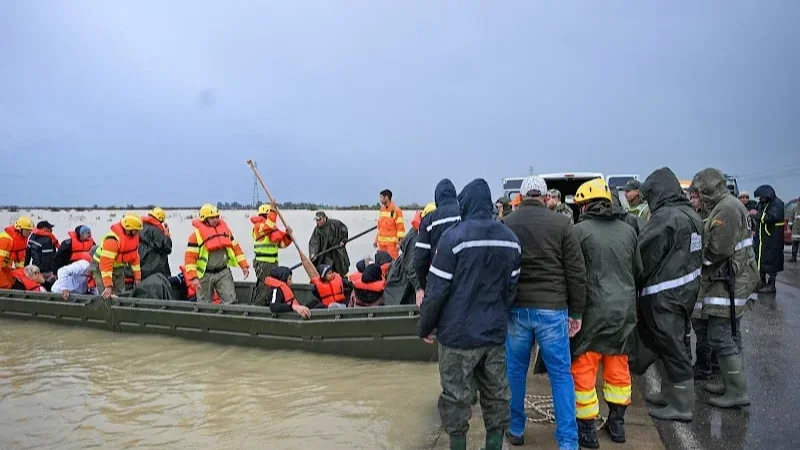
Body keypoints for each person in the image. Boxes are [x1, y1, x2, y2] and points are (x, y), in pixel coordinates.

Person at [417, 178, 521, 450]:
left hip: (457, 337)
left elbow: (436, 292)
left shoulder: (454, 237)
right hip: (494, 336)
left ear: (465, 203)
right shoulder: (511, 240)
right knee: (497, 397)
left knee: (456, 399)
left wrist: (425, 327)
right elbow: (511, 291)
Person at [501, 175, 586, 449]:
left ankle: (515, 430)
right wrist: (577, 312)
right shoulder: (563, 223)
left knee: (515, 372)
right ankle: (568, 441)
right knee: (561, 375)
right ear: (546, 197)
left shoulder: (507, 224)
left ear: (522, 197)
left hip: (517, 311)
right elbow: (576, 272)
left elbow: (501, 271)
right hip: (553, 309)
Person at [570, 178, 641, 447]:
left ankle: (587, 430)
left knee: (584, 370)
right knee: (618, 369)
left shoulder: (579, 232)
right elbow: (638, 271)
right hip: (623, 312)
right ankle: (618, 423)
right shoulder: (628, 231)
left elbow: (574, 274)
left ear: (586, 206)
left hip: (591, 312)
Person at [630, 168, 703, 422]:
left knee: (672, 347)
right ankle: (671, 394)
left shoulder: (666, 218)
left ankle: (681, 405)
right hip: (685, 292)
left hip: (665, 295)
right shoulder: (691, 216)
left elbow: (642, 257)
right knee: (674, 344)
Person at [690, 168, 759, 409]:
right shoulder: (726, 204)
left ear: (707, 190)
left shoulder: (726, 209)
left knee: (720, 334)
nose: (696, 196)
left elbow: (716, 251)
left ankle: (737, 391)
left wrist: (694, 262)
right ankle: (730, 384)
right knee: (731, 332)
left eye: (699, 192)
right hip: (733, 278)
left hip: (731, 281)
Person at [184, 204, 249, 304]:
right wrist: (194, 277)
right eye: (212, 218)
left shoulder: (226, 232)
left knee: (231, 301)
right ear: (204, 219)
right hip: (204, 275)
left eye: (217, 217)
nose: (216, 220)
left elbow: (236, 249)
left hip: (223, 272)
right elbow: (190, 259)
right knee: (204, 304)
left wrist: (244, 266)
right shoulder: (195, 236)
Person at [414, 179, 460, 303]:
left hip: (439, 282)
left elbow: (419, 260)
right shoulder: (466, 214)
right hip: (464, 282)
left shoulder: (429, 221)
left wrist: (424, 287)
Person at [384, 203, 436, 306]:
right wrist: (419, 289)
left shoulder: (423, 232)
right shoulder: (416, 238)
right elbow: (411, 267)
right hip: (402, 286)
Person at [250, 204, 293, 305]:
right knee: (265, 286)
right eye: (269, 216)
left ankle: (270, 304)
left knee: (273, 286)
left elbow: (281, 245)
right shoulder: (258, 227)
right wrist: (273, 210)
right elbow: (268, 225)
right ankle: (258, 307)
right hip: (263, 264)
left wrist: (288, 236)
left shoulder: (271, 230)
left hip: (273, 263)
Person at [91, 214, 143, 298]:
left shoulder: (133, 238)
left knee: (120, 293)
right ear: (128, 228)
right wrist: (108, 286)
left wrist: (137, 279)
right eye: (135, 230)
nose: (137, 232)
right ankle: (104, 309)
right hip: (100, 266)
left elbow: (135, 259)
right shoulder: (112, 240)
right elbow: (106, 264)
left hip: (118, 266)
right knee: (106, 294)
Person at [753, 185, 785, 293]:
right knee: (760, 259)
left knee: (772, 260)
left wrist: (757, 214)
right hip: (762, 238)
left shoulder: (778, 204)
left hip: (773, 237)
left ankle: (771, 285)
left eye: (762, 197)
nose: (760, 199)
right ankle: (761, 282)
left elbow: (772, 217)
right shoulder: (762, 203)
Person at [309, 211, 350, 277]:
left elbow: (344, 230)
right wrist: (313, 254)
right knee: (327, 270)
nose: (317, 222)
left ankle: (343, 281)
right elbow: (314, 242)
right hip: (325, 254)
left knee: (341, 268)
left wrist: (343, 240)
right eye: (316, 220)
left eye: (319, 220)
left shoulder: (335, 223)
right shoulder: (317, 230)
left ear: (325, 218)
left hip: (337, 250)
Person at [137, 207, 173, 280]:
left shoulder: (139, 228)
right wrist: (167, 235)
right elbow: (167, 248)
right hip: (155, 270)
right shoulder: (156, 230)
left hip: (140, 269)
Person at [0, 216, 33, 289]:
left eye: (30, 231)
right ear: (20, 229)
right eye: (28, 230)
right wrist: (6, 285)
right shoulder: (5, 240)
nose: (30, 233)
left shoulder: (21, 241)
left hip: (5, 268)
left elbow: (19, 266)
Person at [25, 220, 59, 285]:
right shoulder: (47, 240)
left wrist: (26, 267)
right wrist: (54, 271)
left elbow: (27, 254)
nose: (51, 230)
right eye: (50, 228)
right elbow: (48, 259)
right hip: (46, 272)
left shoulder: (32, 236)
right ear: (45, 229)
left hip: (35, 269)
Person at [374, 189, 406, 259]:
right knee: (381, 264)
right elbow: (380, 227)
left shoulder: (397, 211)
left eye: (381, 197)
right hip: (381, 244)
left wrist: (399, 244)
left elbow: (400, 228)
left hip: (392, 245)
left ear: (386, 198)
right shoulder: (382, 210)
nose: (380, 200)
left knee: (392, 264)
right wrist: (376, 240)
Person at [791, 197, 800, 262]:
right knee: (795, 245)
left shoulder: (795, 209)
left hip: (795, 231)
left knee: (795, 245)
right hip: (796, 231)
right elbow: (791, 221)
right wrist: (792, 228)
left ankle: (793, 258)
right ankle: (793, 257)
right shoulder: (795, 209)